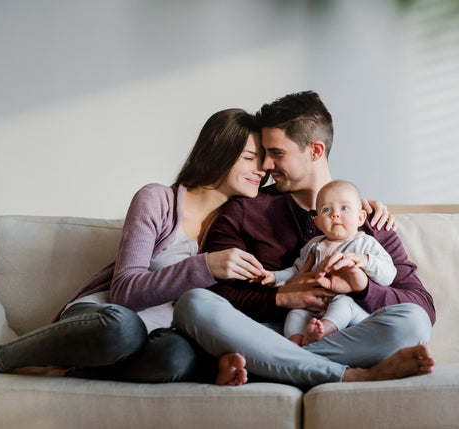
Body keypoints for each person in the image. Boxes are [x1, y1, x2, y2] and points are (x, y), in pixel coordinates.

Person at [0, 108, 270, 385]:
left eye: (265, 160)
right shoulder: (156, 199)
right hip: (106, 318)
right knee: (122, 329)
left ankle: (65, 370)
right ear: (219, 152)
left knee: (175, 357)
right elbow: (125, 292)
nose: (262, 169)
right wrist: (205, 266)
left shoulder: (236, 227)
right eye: (249, 157)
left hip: (159, 336)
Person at [173, 91, 436, 390]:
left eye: (277, 153)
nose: (266, 165)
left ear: (315, 151)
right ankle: (347, 374)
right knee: (192, 303)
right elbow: (212, 289)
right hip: (268, 331)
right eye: (264, 154)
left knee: (413, 322)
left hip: (345, 334)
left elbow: (423, 305)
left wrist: (363, 287)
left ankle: (273, 365)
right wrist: (279, 297)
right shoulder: (246, 209)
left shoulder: (367, 218)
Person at [257, 179, 397, 346]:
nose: (335, 214)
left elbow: (389, 274)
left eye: (344, 208)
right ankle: (296, 343)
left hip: (351, 311)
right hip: (313, 308)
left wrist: (365, 260)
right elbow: (295, 271)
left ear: (360, 218)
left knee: (344, 303)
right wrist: (273, 277)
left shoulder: (365, 244)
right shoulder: (314, 245)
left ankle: (324, 331)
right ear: (317, 222)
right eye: (326, 210)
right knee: (295, 313)